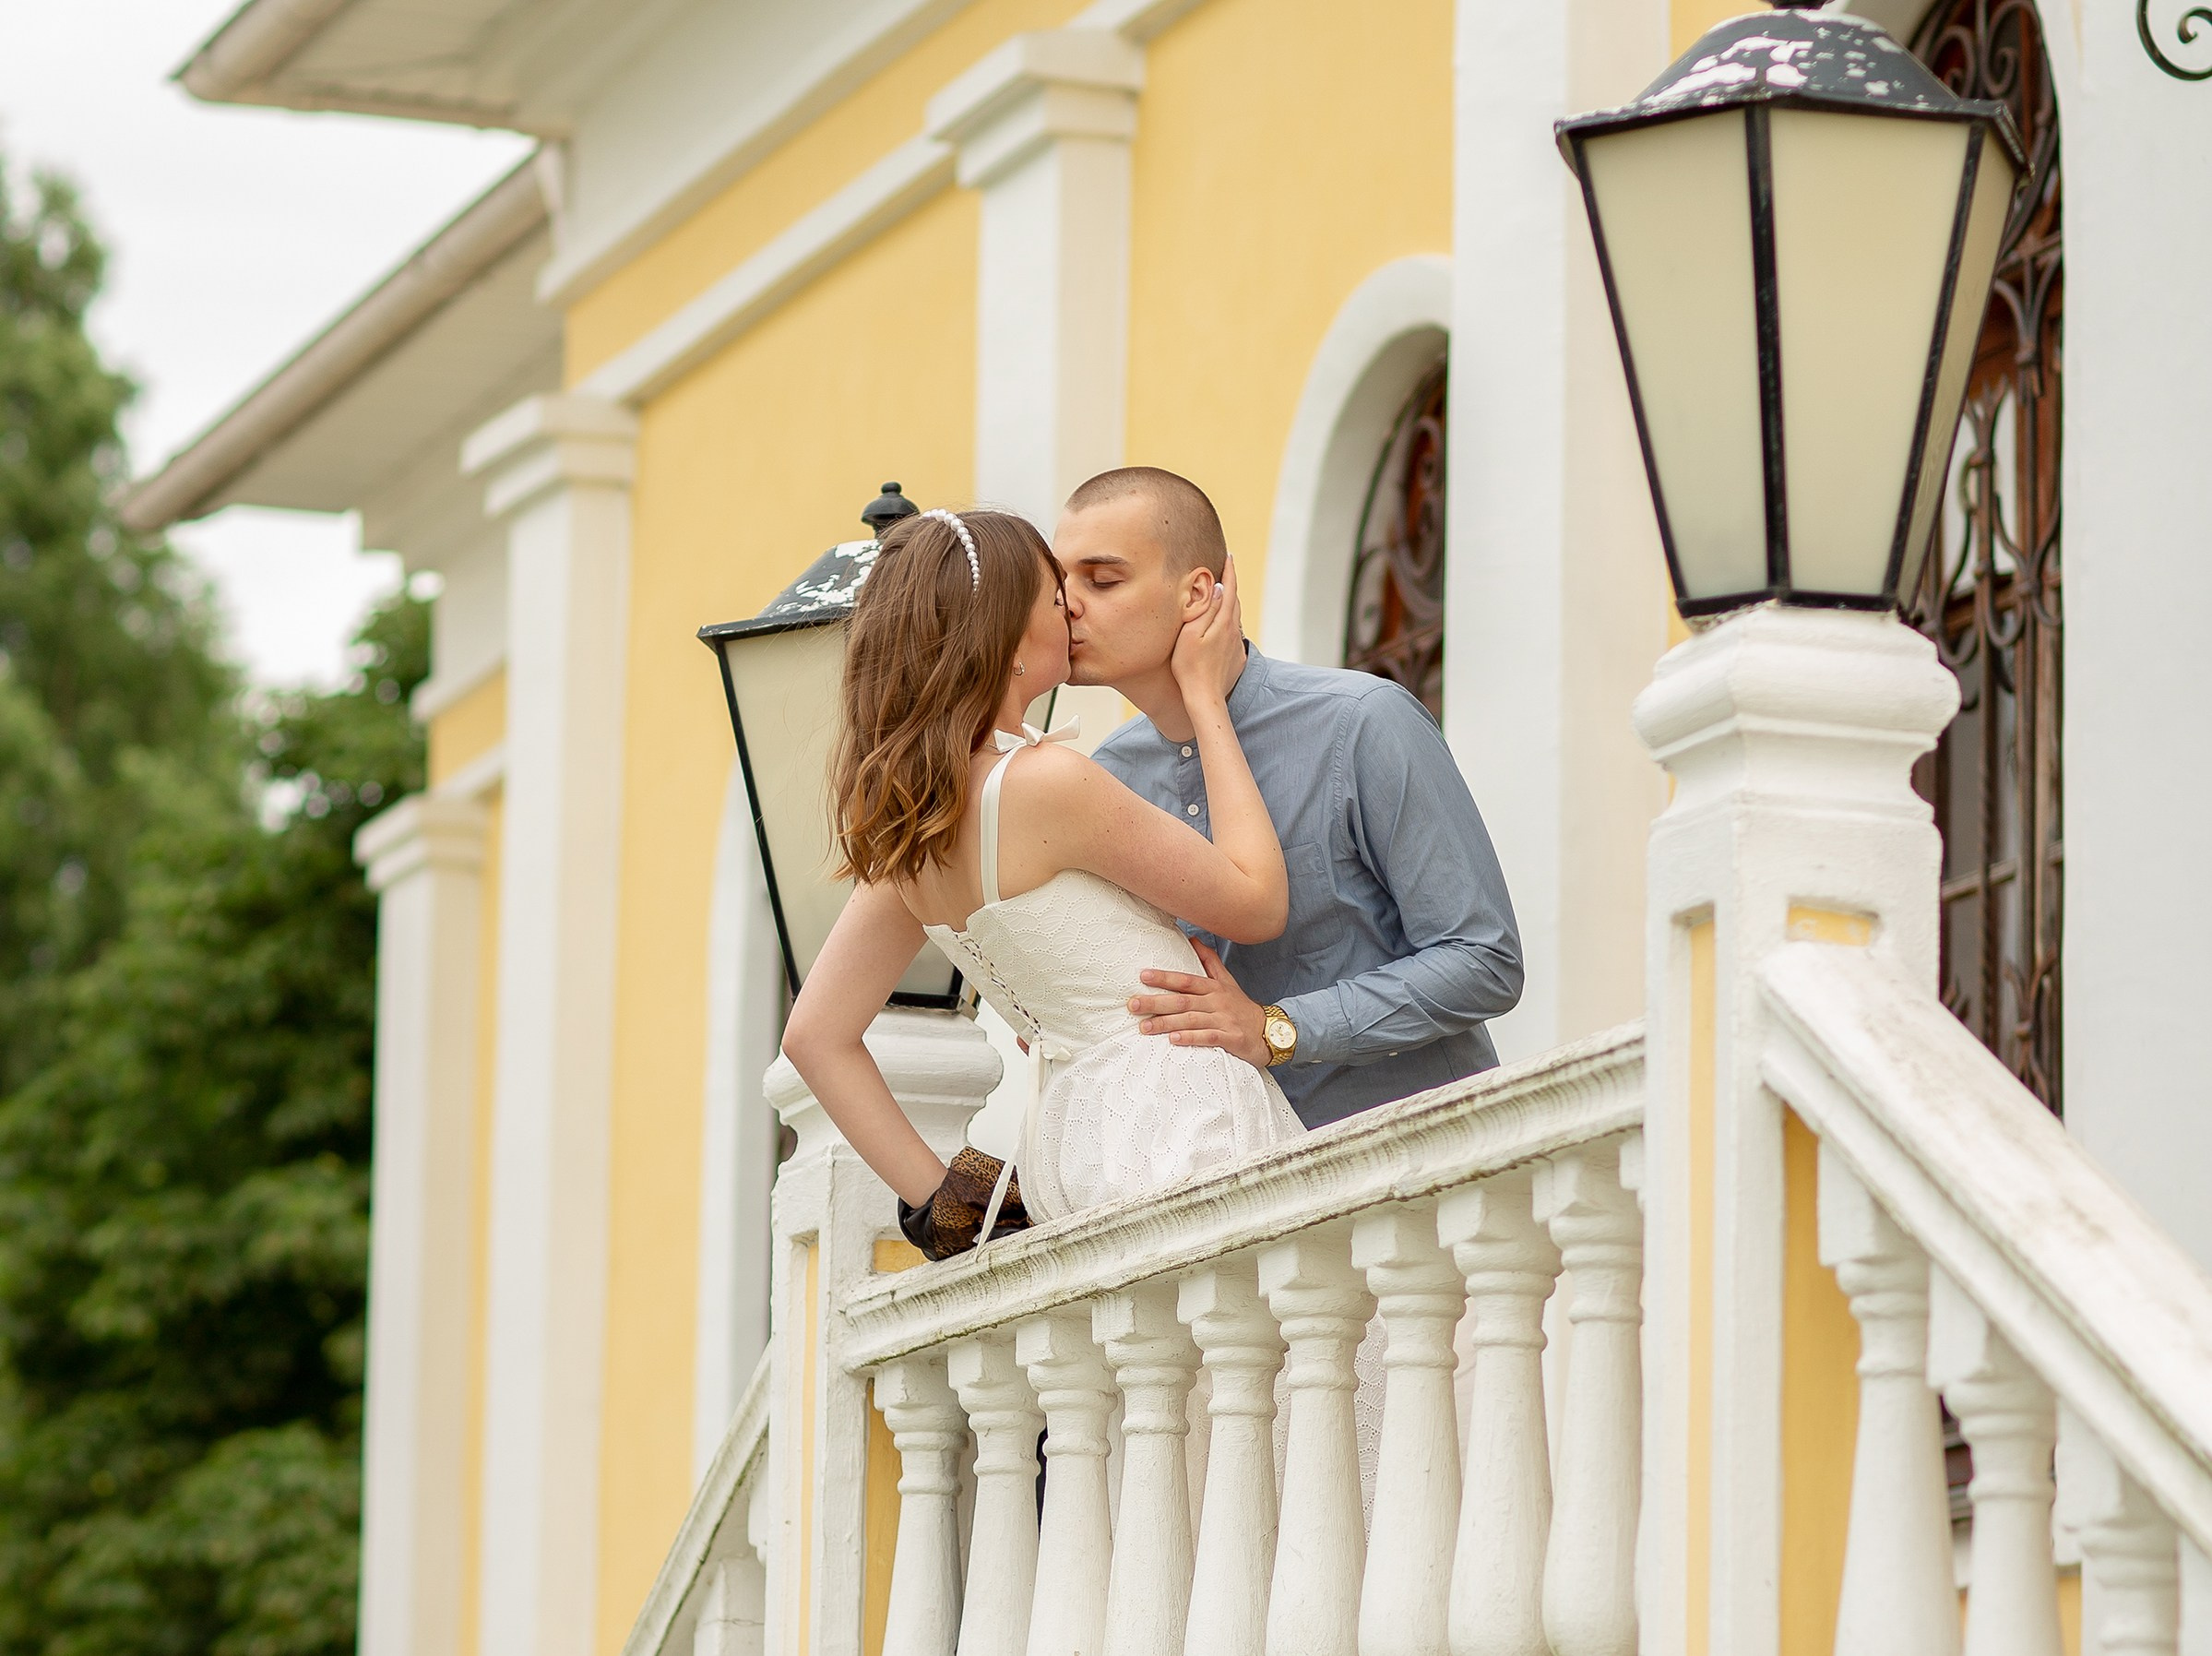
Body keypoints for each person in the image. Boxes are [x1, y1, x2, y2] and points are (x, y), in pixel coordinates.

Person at [779, 506, 1303, 1259]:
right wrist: (1205, 699)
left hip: (1065, 1139)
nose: (1074, 610)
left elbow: (814, 1037)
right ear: (1010, 635)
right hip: (1174, 1110)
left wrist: (949, 1201)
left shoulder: (910, 838)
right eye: (1056, 596)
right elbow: (1257, 900)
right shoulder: (1047, 782)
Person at [1056, 467, 1522, 1129]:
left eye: (1101, 580)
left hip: (1428, 1173)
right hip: (1235, 1188)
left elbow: (1486, 960)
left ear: (1196, 594)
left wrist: (1277, 1028)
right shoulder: (1106, 780)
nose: (1068, 604)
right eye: (1060, 583)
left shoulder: (1363, 722)